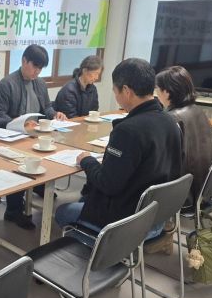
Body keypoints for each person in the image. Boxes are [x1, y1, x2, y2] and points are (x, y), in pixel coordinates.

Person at [55, 58, 182, 245]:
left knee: (62, 212)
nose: (116, 97)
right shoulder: (171, 122)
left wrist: (86, 160)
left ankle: (98, 249)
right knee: (85, 197)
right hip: (155, 217)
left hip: (126, 221)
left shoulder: (128, 130)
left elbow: (108, 184)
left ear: (127, 91)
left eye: (115, 91)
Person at [0, 44, 67, 229]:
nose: (37, 72)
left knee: (50, 153)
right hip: (15, 136)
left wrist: (55, 114)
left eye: (40, 68)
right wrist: (19, 123)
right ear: (24, 61)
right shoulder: (6, 84)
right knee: (18, 167)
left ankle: (40, 186)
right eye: (35, 66)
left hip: (36, 134)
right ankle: (14, 210)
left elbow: (46, 107)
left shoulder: (40, 83)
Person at [155, 66, 212, 207]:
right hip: (205, 186)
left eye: (157, 88)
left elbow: (160, 160)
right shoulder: (197, 110)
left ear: (167, 92)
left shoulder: (172, 119)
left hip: (185, 192)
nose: (156, 93)